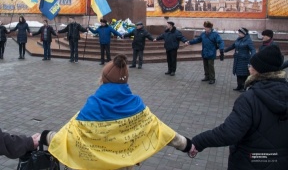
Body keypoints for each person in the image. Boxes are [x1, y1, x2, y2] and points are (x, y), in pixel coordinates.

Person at [44, 54, 194, 169]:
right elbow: (162, 131)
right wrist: (187, 145)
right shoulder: (137, 106)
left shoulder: (92, 106)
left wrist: (45, 136)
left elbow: (68, 137)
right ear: (126, 80)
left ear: (103, 79)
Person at [190, 45, 288, 169]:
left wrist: (198, 142)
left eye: (251, 66)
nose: (249, 68)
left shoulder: (250, 98)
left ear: (259, 71)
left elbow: (229, 133)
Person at [224, 27, 256, 92]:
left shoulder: (248, 40)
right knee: (238, 73)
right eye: (239, 33)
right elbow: (233, 46)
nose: (238, 34)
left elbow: (253, 49)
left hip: (244, 60)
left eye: (240, 33)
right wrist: (225, 50)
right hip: (237, 59)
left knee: (244, 74)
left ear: (244, 33)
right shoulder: (238, 39)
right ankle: (239, 86)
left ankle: (244, 87)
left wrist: (252, 57)